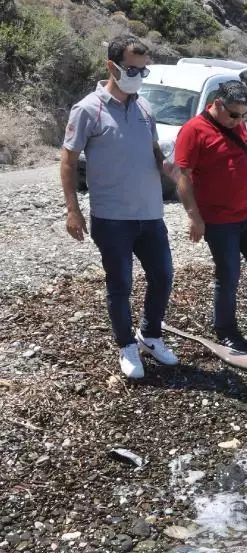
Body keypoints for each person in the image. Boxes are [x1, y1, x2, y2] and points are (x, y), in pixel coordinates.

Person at [60, 34, 179, 380]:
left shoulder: (144, 107)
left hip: (151, 215)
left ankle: (150, 336)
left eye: (144, 71)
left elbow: (153, 149)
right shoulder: (88, 109)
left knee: (163, 276)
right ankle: (126, 345)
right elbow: (67, 161)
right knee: (120, 284)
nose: (139, 77)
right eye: (132, 69)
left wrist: (165, 165)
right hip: (112, 219)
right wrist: (73, 210)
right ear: (112, 66)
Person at [174, 79, 247, 353]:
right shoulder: (193, 131)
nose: (238, 121)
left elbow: (239, 158)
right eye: (234, 115)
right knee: (228, 274)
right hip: (218, 220)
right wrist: (194, 217)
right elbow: (182, 177)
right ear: (216, 104)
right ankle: (225, 329)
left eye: (243, 115)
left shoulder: (237, 125)